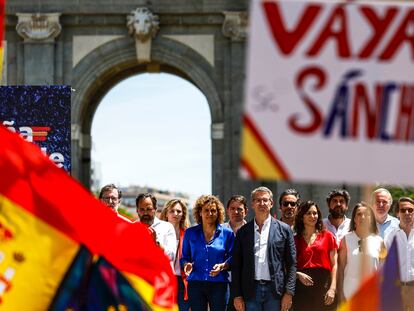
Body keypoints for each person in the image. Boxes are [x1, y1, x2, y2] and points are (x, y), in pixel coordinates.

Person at [231, 186, 296, 311]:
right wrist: (237, 295)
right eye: (258, 200)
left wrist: (289, 292)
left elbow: (292, 263)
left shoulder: (284, 230)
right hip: (250, 291)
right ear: (252, 205)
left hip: (275, 291)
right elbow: (237, 265)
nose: (262, 203)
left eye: (265, 200)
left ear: (271, 203)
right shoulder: (243, 232)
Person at [180, 195, 234, 311]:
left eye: (213, 210)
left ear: (218, 212)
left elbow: (233, 258)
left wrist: (222, 266)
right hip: (196, 284)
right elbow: (184, 257)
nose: (210, 213)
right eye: (206, 210)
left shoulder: (228, 234)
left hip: (219, 285)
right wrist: (186, 265)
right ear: (200, 212)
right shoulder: (190, 233)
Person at [337, 202, 386, 302]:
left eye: (367, 214)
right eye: (359, 214)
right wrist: (341, 293)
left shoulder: (379, 241)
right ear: (354, 219)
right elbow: (341, 268)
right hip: (349, 294)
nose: (363, 217)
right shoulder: (345, 239)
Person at [293, 200, 337, 311]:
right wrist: (297, 274)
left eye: (315, 213)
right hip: (301, 289)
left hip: (323, 286)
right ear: (301, 216)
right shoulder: (294, 239)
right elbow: (286, 265)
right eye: (308, 213)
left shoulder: (328, 236)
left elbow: (335, 265)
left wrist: (332, 288)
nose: (313, 216)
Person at [160, 199, 190, 311]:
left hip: (183, 281)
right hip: (164, 280)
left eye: (179, 211)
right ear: (166, 213)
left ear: (183, 215)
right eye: (172, 211)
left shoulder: (188, 234)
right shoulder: (157, 232)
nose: (175, 214)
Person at [385, 197, 414, 311]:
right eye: (403, 210)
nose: (407, 213)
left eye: (410, 210)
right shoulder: (390, 237)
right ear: (397, 213)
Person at [136, 193, 176, 262]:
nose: (145, 213)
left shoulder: (167, 227)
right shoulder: (132, 228)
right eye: (142, 209)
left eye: (149, 209)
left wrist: (157, 244)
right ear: (137, 210)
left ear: (155, 209)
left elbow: (172, 256)